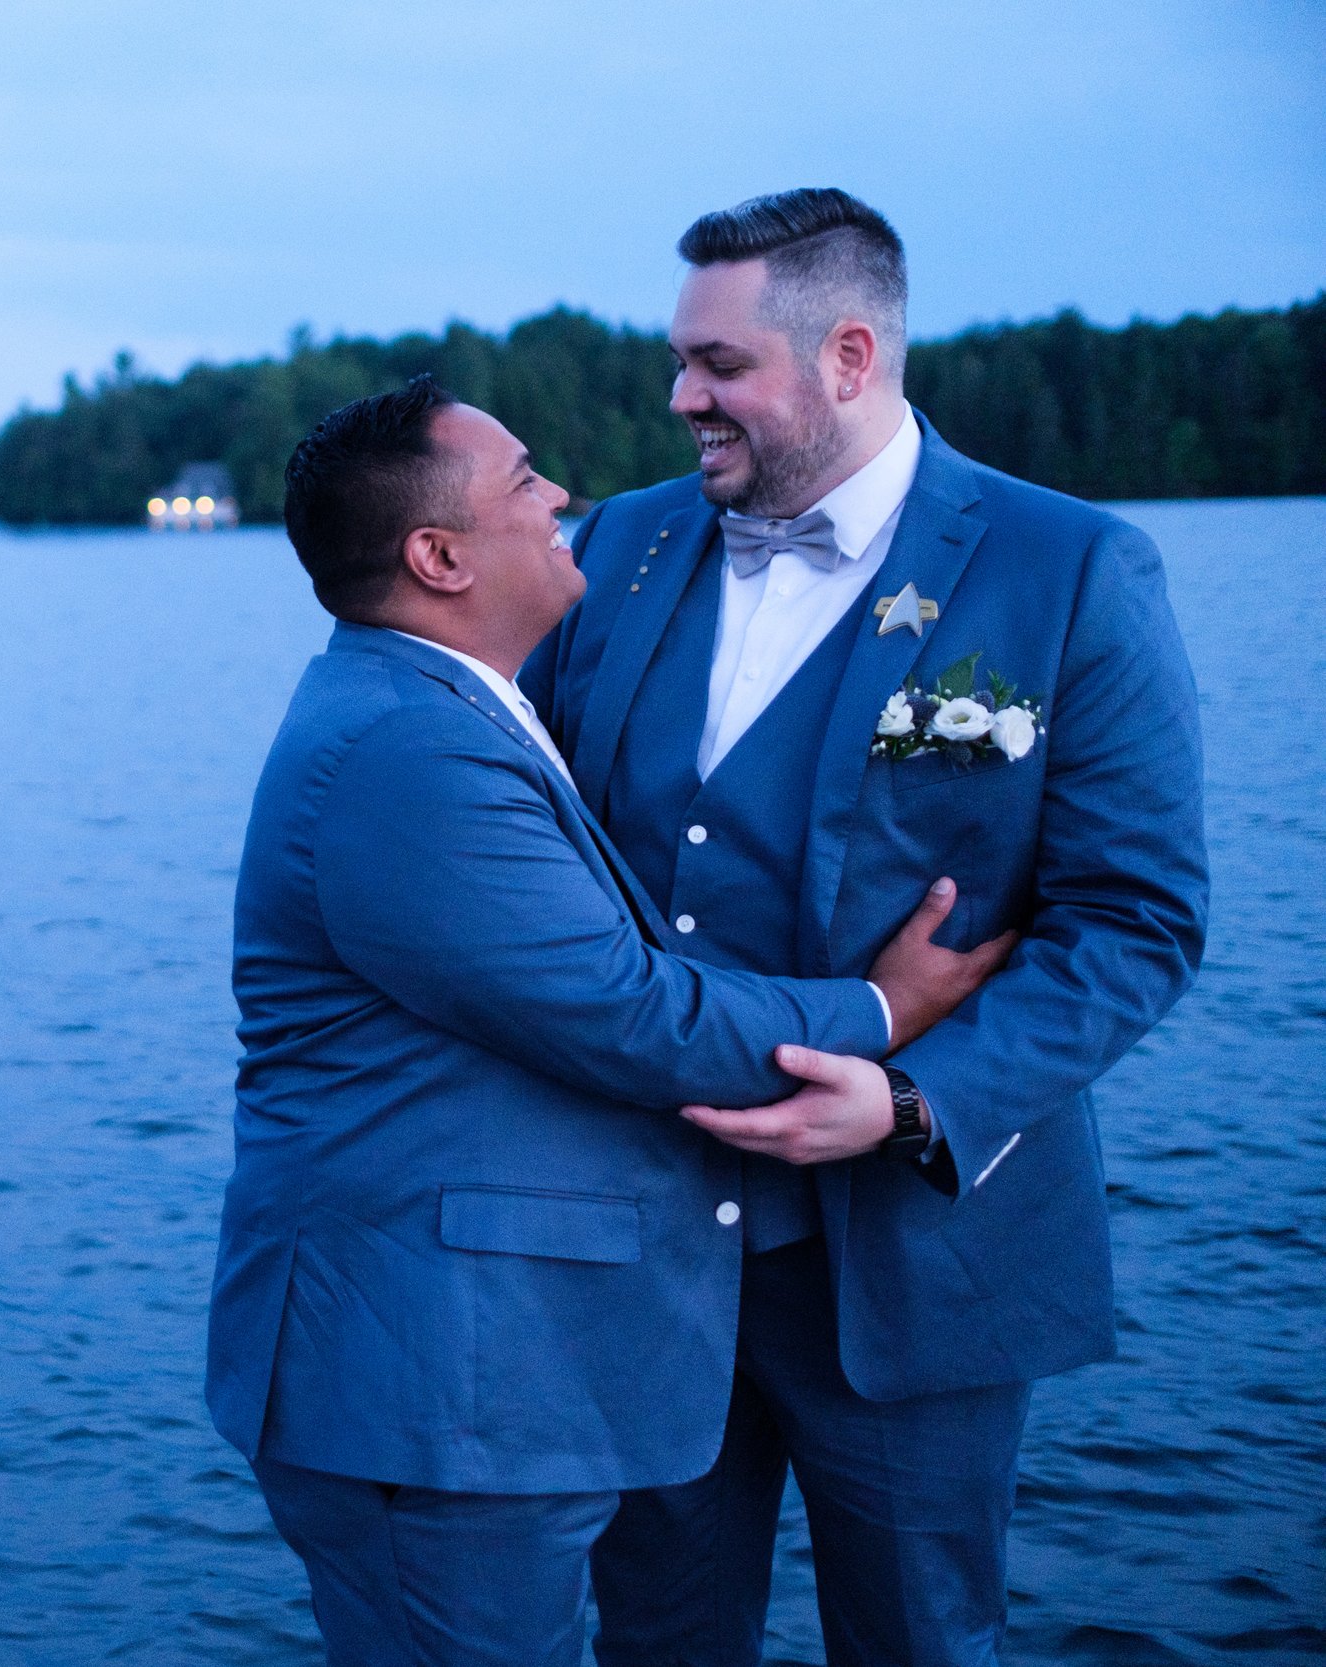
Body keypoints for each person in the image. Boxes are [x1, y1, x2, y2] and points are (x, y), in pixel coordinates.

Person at [206, 375, 1011, 1665]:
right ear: (438, 556)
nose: (562, 499)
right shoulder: (410, 751)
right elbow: (629, 1013)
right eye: (523, 481)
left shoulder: (446, 708)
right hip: (431, 1386)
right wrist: (884, 1005)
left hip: (467, 1376)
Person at [517, 188, 1208, 1665]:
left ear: (846, 354)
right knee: (653, 1643)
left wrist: (907, 1100)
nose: (680, 398)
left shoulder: (1066, 568)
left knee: (917, 1643)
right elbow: (529, 852)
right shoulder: (622, 547)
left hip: (917, 1255)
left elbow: (1136, 921)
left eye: (718, 367)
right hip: (639, 1242)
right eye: (680, 362)